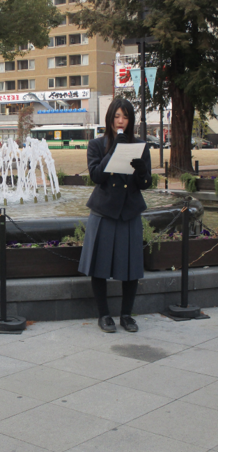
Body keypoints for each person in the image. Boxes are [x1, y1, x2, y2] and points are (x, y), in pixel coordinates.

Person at [78, 98, 152, 333]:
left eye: (126, 117)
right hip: (104, 211)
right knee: (99, 266)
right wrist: (113, 151)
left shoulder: (140, 146)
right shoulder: (96, 145)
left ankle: (127, 315)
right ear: (110, 118)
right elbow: (96, 176)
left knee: (131, 267)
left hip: (129, 212)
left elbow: (145, 184)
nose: (121, 121)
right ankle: (104, 315)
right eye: (117, 116)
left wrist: (142, 172)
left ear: (130, 120)